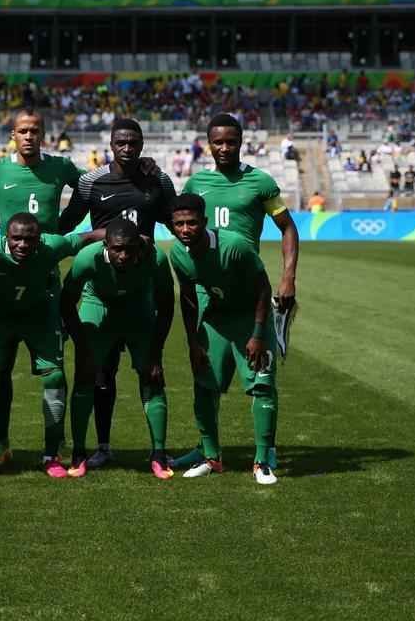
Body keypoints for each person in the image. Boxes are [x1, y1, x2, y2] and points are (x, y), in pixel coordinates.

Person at [0, 214, 105, 478]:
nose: (23, 244)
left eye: (29, 239)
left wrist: (127, 233)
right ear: (6, 237)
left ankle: (51, 455)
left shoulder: (52, 246)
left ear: (39, 239)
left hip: (40, 318)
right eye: (17, 239)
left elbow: (85, 237)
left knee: (54, 377)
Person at [178, 113, 300, 473]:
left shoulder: (260, 182)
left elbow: (288, 228)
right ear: (208, 143)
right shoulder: (196, 182)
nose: (225, 147)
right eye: (218, 141)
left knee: (260, 377)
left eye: (232, 141)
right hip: (207, 297)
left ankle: (267, 454)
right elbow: (180, 218)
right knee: (205, 380)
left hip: (250, 292)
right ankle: (207, 451)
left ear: (241, 141)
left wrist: (288, 277)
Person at [58, 118, 176, 471]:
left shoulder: (158, 179)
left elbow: (177, 221)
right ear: (110, 144)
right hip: (101, 291)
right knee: (98, 373)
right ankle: (99, 447)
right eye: (120, 141)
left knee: (151, 373)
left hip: (141, 290)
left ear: (142, 144)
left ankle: (158, 452)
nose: (127, 147)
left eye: (133, 141)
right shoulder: (92, 181)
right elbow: (66, 222)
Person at [168, 194, 279, 483]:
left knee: (261, 387)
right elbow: (189, 299)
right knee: (205, 387)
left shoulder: (235, 245)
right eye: (178, 224)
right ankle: (211, 458)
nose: (185, 229)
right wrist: (193, 341)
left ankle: (262, 461)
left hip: (251, 320)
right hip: (215, 321)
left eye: (191, 223)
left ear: (204, 222)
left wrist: (257, 334)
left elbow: (263, 289)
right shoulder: (178, 254)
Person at [60, 218, 175, 478]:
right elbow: (67, 302)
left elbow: (166, 304)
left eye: (130, 249)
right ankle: (79, 453)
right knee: (85, 377)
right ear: (106, 246)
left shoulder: (154, 258)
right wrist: (83, 347)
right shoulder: (87, 258)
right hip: (98, 304)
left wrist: (156, 352)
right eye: (117, 249)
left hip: (138, 310)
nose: (124, 255)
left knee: (152, 377)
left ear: (139, 246)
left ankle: (158, 454)